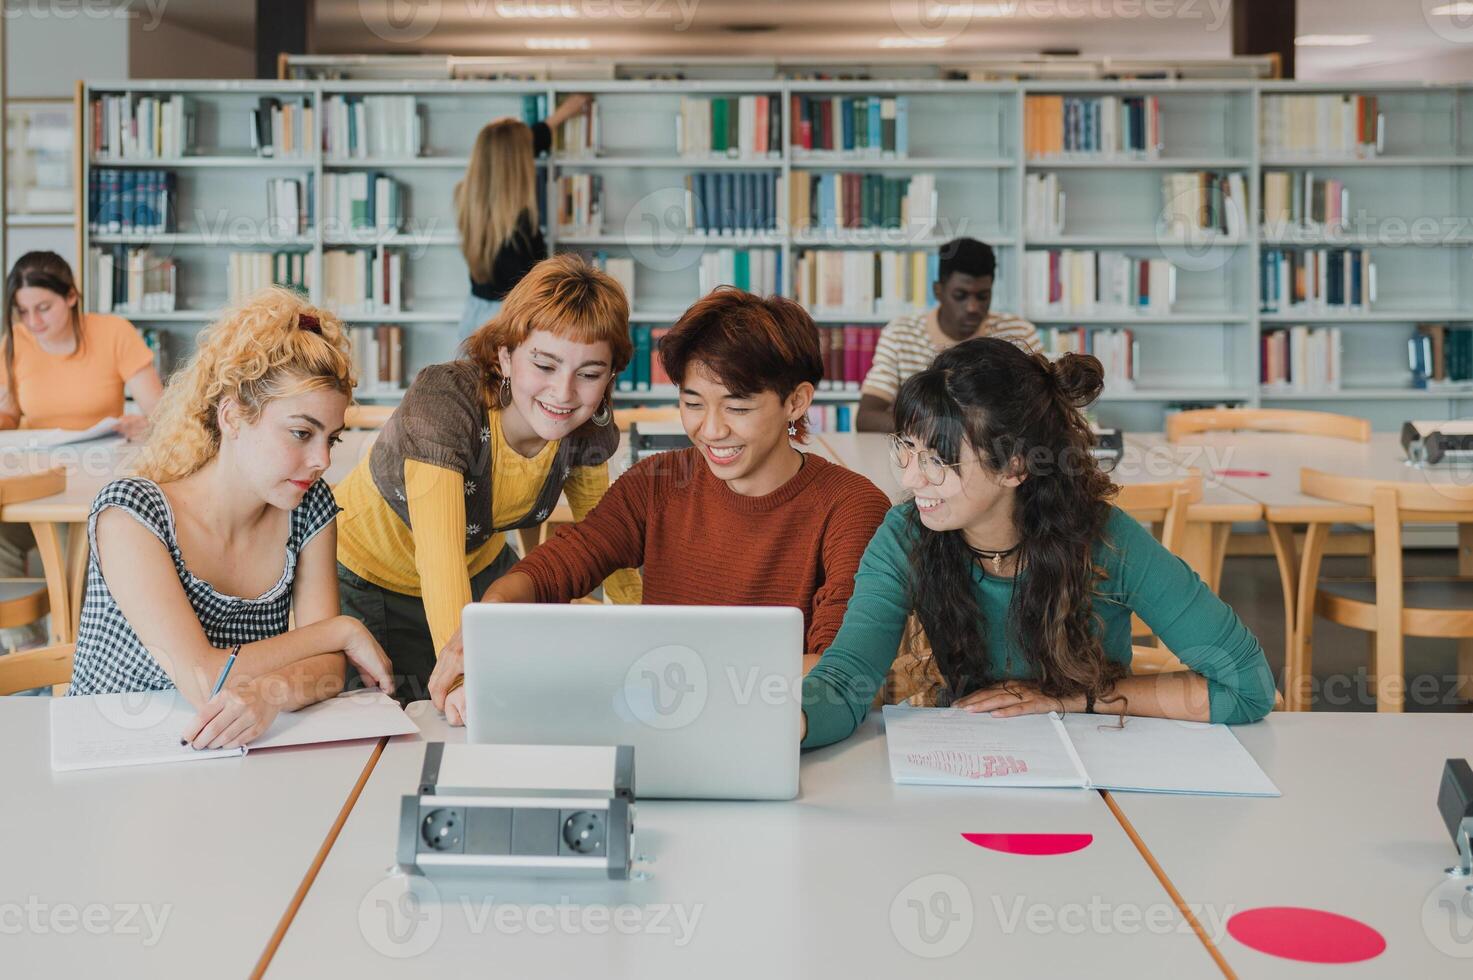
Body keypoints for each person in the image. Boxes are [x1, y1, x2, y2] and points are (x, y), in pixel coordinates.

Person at [428, 287, 893, 725]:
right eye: (693, 403)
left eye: (737, 407)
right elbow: (556, 569)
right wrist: (486, 624)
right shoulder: (658, 482)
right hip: (658, 729)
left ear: (796, 401)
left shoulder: (851, 507)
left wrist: (670, 671)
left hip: (781, 741)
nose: (710, 430)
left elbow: (845, 674)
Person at [802, 337, 1276, 747]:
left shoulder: (1107, 541)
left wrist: (1074, 700)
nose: (910, 478)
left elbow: (1247, 685)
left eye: (937, 461)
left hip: (1099, 770)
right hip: (966, 763)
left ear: (1014, 467)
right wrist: (788, 725)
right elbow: (846, 680)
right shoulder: (905, 535)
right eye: (905, 449)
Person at [67, 288, 394, 751]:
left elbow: (328, 669)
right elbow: (205, 679)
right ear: (233, 416)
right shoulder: (131, 515)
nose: (320, 459)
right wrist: (338, 631)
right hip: (113, 759)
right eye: (301, 433)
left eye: (331, 439)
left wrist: (269, 691)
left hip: (226, 756)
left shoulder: (308, 505)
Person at [335, 253, 641, 702]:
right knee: (412, 715)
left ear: (610, 376)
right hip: (367, 574)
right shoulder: (444, 401)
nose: (564, 392)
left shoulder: (590, 425)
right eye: (545, 364)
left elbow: (608, 543)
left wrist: (647, 637)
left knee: (528, 694)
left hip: (480, 570)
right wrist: (461, 679)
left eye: (589, 373)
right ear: (506, 357)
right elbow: (439, 560)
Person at [0, 251, 169, 583]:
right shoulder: (15, 342)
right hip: (39, 478)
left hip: (97, 480)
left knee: (71, 540)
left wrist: (146, 425)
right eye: (23, 312)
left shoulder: (113, 333)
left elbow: (164, 414)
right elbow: (10, 414)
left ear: (72, 296)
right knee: (2, 537)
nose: (33, 322)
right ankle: (27, 635)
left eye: (43, 308)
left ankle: (71, 631)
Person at [855, 237, 1038, 432]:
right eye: (960, 295)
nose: (972, 307)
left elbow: (1044, 408)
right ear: (938, 291)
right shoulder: (900, 334)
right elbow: (867, 417)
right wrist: (943, 430)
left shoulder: (1019, 334)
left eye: (983, 296)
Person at [456, 94, 594, 338]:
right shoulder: (518, 229)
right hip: (506, 322)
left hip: (474, 313)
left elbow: (521, 144)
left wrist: (560, 115)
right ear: (520, 163)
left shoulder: (469, 198)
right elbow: (534, 289)